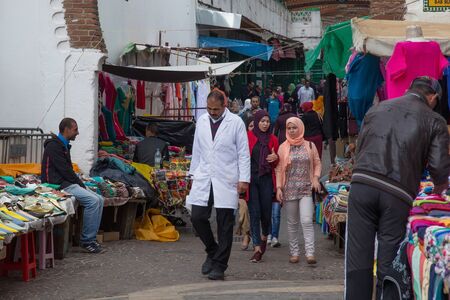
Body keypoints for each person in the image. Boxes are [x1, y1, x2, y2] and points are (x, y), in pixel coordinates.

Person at [345, 76, 450, 300]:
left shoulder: (377, 108)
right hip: (397, 193)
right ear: (432, 97)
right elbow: (439, 169)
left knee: (358, 259)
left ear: (407, 89)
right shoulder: (435, 120)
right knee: (389, 261)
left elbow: (360, 148)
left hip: (362, 184)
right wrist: (441, 189)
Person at [187, 90, 250, 280]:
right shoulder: (202, 121)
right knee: (197, 217)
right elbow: (197, 149)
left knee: (224, 224)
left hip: (226, 178)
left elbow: (243, 153)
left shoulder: (236, 123)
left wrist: (244, 179)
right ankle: (212, 250)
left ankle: (220, 265)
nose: (212, 112)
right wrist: (193, 174)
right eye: (209, 108)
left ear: (225, 106)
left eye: (216, 109)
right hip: (204, 176)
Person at [41, 118, 105, 254]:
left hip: (66, 183)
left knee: (100, 199)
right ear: (67, 129)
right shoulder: (54, 146)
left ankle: (90, 239)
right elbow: (65, 170)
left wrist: (80, 184)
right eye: (75, 129)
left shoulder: (62, 145)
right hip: (58, 185)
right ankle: (87, 241)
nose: (77, 133)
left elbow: (67, 170)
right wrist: (81, 185)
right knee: (93, 201)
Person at [275, 117, 321, 264]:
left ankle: (310, 253)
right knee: (292, 222)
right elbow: (279, 169)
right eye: (289, 128)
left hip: (306, 188)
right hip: (289, 189)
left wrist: (315, 178)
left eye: (294, 127)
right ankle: (294, 253)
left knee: (307, 220)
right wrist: (278, 188)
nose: (292, 130)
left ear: (300, 128)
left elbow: (317, 163)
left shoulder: (310, 145)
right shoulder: (283, 147)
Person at [247, 110, 279, 262]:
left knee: (266, 214)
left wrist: (275, 158)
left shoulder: (273, 139)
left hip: (266, 179)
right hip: (252, 179)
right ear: (257, 122)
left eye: (267, 121)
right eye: (262, 121)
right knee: (255, 213)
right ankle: (257, 248)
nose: (265, 124)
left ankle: (264, 237)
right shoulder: (249, 137)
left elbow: (277, 162)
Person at [237, 116, 255, 251]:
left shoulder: (265, 140)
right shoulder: (241, 140)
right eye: (251, 126)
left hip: (256, 183)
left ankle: (254, 236)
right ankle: (246, 234)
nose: (253, 129)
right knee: (243, 212)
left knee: (254, 212)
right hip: (241, 183)